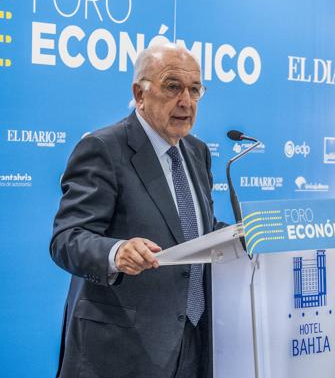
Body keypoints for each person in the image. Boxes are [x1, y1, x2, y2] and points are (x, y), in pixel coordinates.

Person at [50, 43, 225, 378]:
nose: (186, 102)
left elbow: (191, 228)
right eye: (172, 87)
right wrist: (116, 252)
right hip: (119, 350)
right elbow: (66, 238)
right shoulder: (104, 148)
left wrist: (243, 236)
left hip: (191, 341)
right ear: (140, 93)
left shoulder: (197, 151)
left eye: (194, 89)